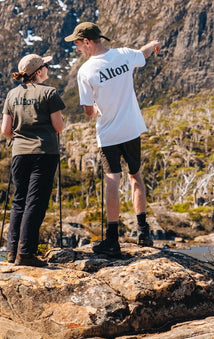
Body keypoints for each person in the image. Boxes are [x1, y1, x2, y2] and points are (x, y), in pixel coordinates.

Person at [65, 22, 161, 258]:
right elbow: (143, 53)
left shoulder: (85, 72)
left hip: (108, 134)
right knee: (135, 176)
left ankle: (112, 239)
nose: (77, 49)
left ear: (87, 42)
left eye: (77, 44)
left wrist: (97, 108)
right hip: (132, 129)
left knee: (112, 181)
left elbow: (88, 111)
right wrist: (154, 44)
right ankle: (143, 232)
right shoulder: (125, 55)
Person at [1, 53, 65, 267]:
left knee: (19, 200)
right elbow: (59, 127)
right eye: (46, 66)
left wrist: (21, 137)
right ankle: (26, 253)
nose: (48, 69)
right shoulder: (50, 93)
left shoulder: (12, 94)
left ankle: (12, 251)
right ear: (38, 72)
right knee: (35, 202)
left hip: (19, 153)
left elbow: (5, 130)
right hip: (44, 152)